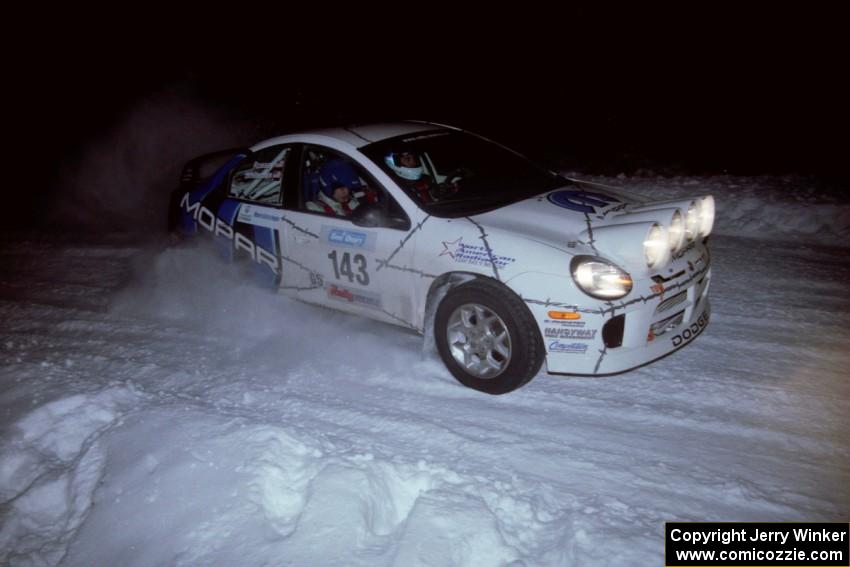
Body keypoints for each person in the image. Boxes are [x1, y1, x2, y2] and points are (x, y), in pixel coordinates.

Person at [306, 159, 376, 217]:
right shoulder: (314, 209)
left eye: (348, 187)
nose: (346, 192)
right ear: (327, 185)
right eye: (341, 188)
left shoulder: (351, 202)